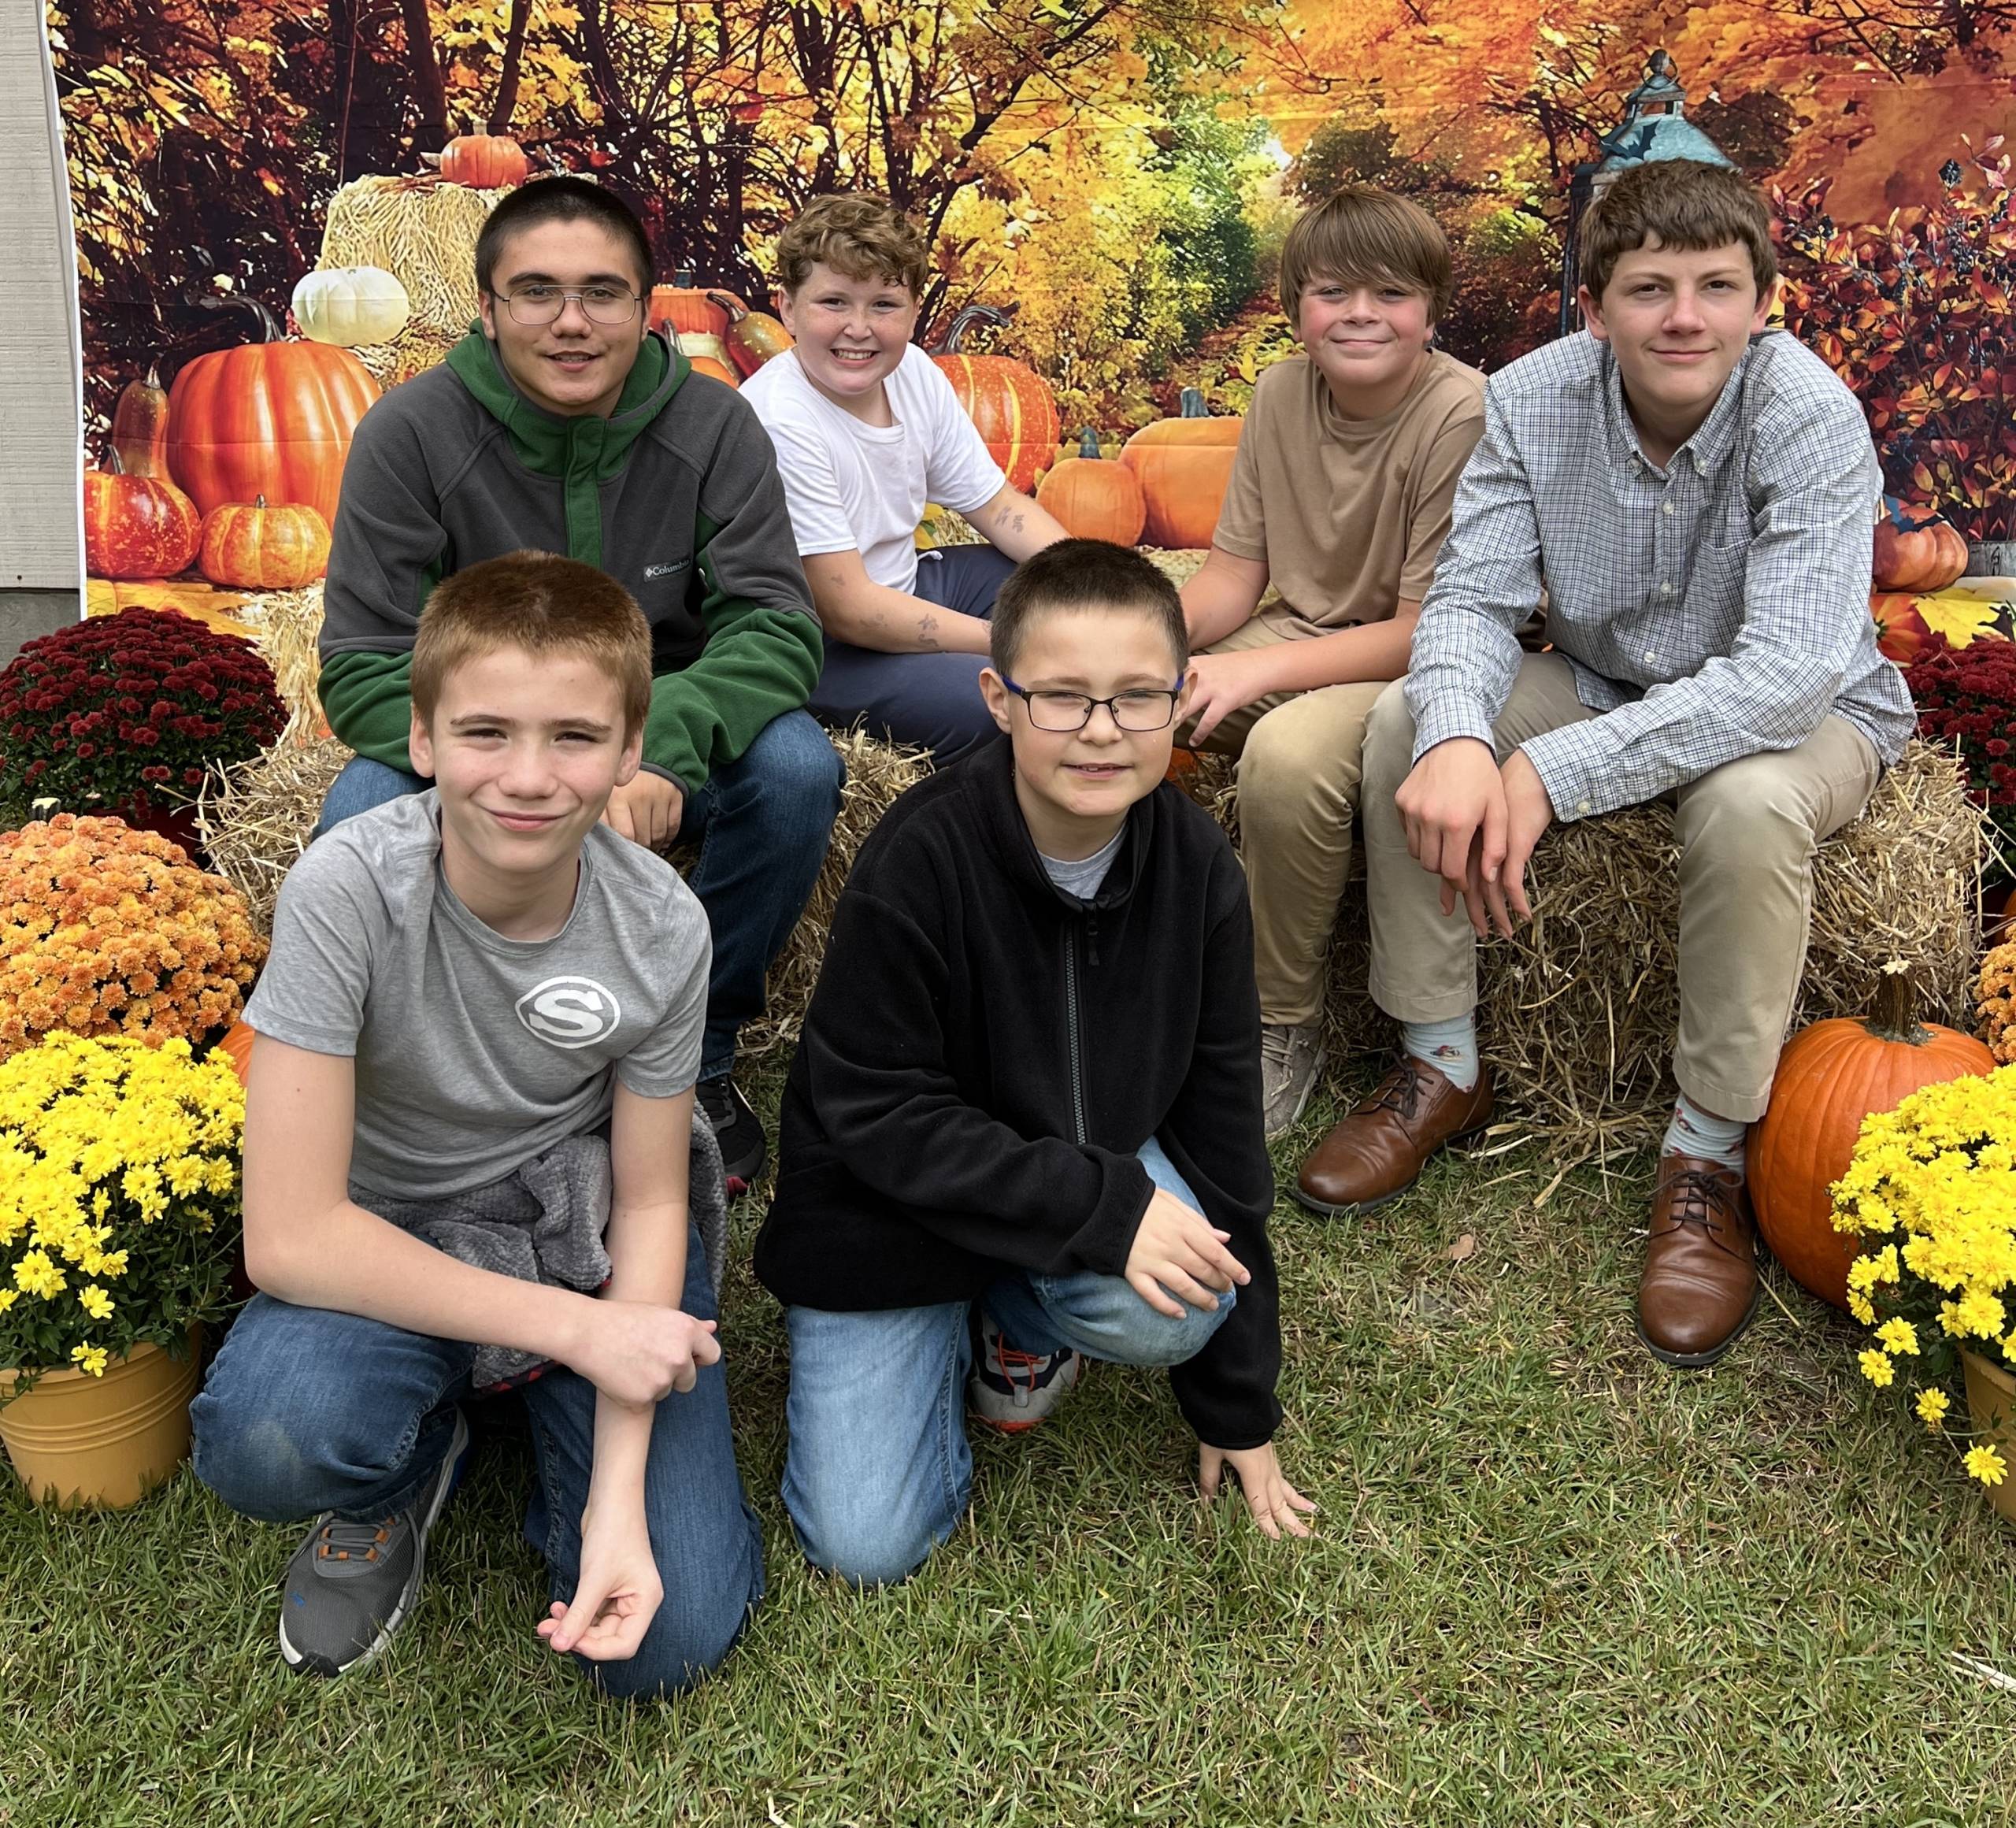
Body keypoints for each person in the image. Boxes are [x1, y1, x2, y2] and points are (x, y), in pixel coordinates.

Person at [1295, 160, 1916, 1370]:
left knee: (1741, 807)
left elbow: (1785, 676)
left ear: (1764, 299)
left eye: (1716, 287)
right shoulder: (1532, 399)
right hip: (1599, 673)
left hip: (1803, 708)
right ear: (1594, 307)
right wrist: (1472, 739)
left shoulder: (1808, 413)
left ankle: (1708, 1152)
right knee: (1405, 729)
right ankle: (1441, 1062)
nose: (1684, 316)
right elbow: (1472, 598)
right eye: (1649, 289)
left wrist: (1545, 776)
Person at [190, 553, 765, 1695]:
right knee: (269, 1436)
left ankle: (536, 1426)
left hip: (580, 1220)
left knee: (671, 1637)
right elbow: (293, 1237)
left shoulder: (660, 926)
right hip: (387, 1221)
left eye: (574, 738)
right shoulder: (347, 889)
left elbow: (652, 1201)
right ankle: (408, 1457)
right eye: (487, 732)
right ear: (423, 738)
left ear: (630, 751)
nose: (529, 776)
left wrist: (615, 1502)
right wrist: (580, 1334)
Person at [754, 540, 1313, 1586]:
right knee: (866, 1543)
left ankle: (1021, 1314)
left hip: (1065, 1161)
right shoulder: (920, 859)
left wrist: (1238, 1402)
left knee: (1185, 1302)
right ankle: (964, 1313)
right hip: (893, 1211)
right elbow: (875, 1113)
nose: (1102, 732)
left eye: (1138, 697)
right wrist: (1104, 1208)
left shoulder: (1200, 873)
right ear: (997, 699)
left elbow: (1225, 1127)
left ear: (1182, 697)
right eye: (1061, 697)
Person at [315, 175, 841, 1185]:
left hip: (658, 725)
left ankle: (702, 1050)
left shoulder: (716, 427)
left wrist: (650, 755)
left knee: (797, 769)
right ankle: (422, 1079)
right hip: (485, 738)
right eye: (537, 292)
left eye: (602, 292)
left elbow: (777, 623)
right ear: (487, 306)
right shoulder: (410, 433)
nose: (571, 321)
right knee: (361, 804)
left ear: (646, 309)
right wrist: (508, 754)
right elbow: (365, 665)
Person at [1177, 186, 1485, 1136]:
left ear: (1430, 309)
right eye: (1331, 291)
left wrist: (1255, 675)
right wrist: (1138, 646)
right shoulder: (1277, 392)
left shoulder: (1461, 414)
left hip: (1415, 659)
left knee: (1285, 757)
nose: (1359, 313)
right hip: (1303, 630)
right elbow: (1234, 575)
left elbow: (1428, 625)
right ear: (1296, 307)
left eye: (1390, 293)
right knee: (1131, 703)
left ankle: (1281, 1023)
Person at [741, 192, 1073, 761]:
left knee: (1052, 586)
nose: (859, 329)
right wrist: (1014, 642)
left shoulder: (914, 373)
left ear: (915, 311)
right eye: (834, 302)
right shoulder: (778, 419)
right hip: (817, 644)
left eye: (884, 305)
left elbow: (998, 507)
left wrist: (1101, 584)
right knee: (1004, 702)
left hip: (906, 585)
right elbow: (849, 610)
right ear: (787, 309)